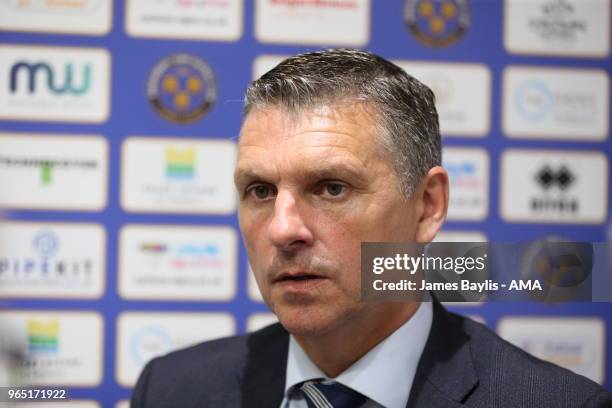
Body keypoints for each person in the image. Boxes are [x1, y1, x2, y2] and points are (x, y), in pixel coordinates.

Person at [131, 49, 611, 408]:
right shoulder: (171, 389)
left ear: (427, 206)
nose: (282, 230)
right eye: (260, 191)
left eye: (331, 188)